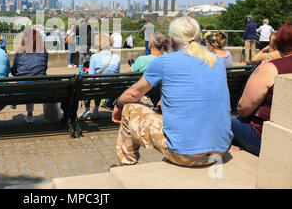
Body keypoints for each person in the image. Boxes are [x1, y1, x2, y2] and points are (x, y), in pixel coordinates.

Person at [112, 16, 233, 167]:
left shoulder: (164, 62)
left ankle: (127, 164)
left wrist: (118, 104)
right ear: (199, 38)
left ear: (171, 40)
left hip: (184, 154)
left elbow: (133, 94)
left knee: (130, 108)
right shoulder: (216, 61)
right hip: (219, 151)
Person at [231, 21, 292, 156]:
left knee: (224, 121)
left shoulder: (271, 68)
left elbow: (243, 109)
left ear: (279, 42)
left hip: (267, 139)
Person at [79, 33, 121, 120]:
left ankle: (87, 109)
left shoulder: (94, 57)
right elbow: (117, 76)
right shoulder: (117, 58)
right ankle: (96, 109)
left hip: (98, 88)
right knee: (98, 83)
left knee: (90, 84)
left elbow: (91, 78)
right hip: (111, 89)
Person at [11, 28, 49, 124]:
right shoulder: (44, 53)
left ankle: (29, 114)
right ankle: (30, 115)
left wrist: (19, 74)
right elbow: (43, 70)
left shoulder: (20, 51)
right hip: (40, 89)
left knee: (27, 82)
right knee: (34, 81)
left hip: (22, 90)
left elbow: (14, 70)